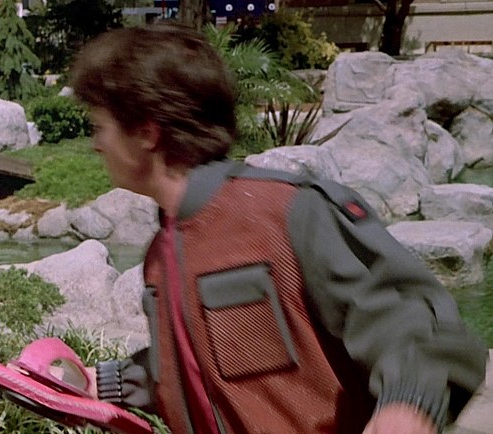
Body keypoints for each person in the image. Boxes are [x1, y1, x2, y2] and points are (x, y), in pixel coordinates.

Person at [69, 23, 488, 434]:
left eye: (100, 126)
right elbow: (199, 367)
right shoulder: (162, 255)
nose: (95, 144)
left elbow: (411, 322)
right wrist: (103, 384)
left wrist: (409, 405)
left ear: (146, 132)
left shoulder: (290, 212)